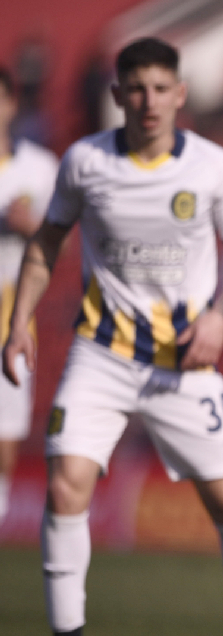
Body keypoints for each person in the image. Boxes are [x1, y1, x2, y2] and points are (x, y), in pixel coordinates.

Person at [1, 38, 223, 636]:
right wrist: (20, 321)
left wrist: (219, 319)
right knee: (65, 487)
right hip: (100, 354)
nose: (149, 101)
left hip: (184, 360)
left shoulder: (214, 167)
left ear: (179, 94)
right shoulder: (85, 161)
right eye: (137, 89)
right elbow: (46, 243)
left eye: (159, 89)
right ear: (117, 95)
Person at [0, 65, 58, 524]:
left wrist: (32, 225)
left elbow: (62, 240)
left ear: (11, 104)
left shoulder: (39, 168)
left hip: (10, 317)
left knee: (5, 436)